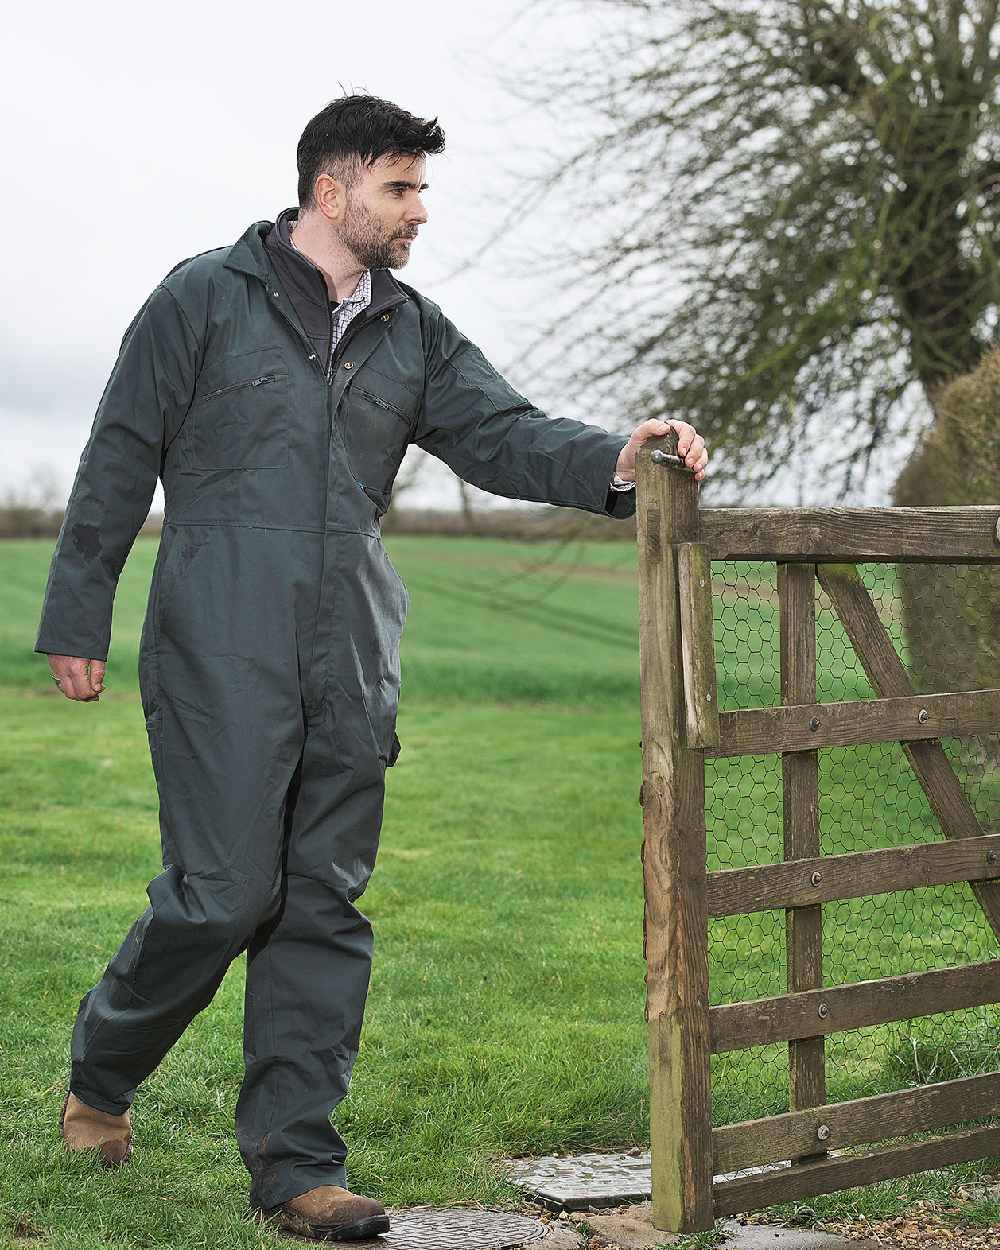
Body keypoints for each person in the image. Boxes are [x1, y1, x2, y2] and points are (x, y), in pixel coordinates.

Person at [34, 92, 709, 1242]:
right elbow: (118, 454)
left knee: (321, 902)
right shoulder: (204, 295)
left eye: (421, 188)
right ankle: (104, 1066)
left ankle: (299, 1165)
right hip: (218, 640)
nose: (419, 211)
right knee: (221, 892)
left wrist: (615, 454)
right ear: (330, 190)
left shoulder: (412, 326)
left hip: (351, 646)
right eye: (400, 188)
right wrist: (79, 615)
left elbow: (503, 432)